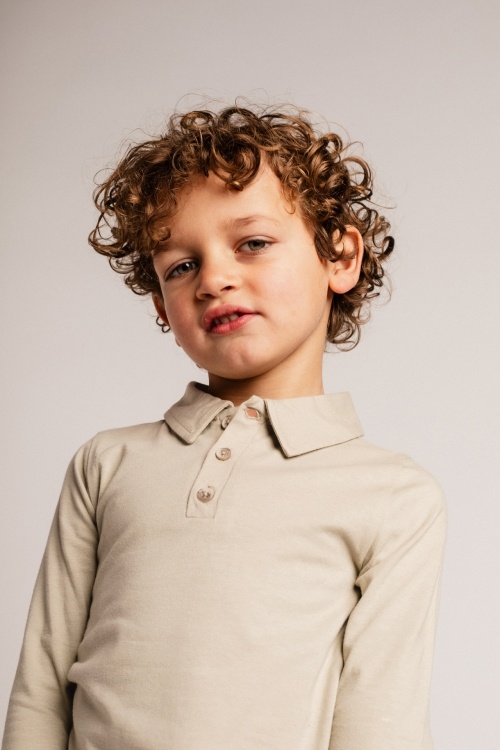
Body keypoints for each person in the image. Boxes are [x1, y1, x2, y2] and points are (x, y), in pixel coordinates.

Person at [2, 103, 446, 750]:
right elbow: (38, 694)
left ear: (340, 256)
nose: (213, 279)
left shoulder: (395, 496)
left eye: (253, 243)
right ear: (162, 306)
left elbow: (382, 723)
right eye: (181, 266)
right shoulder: (107, 464)